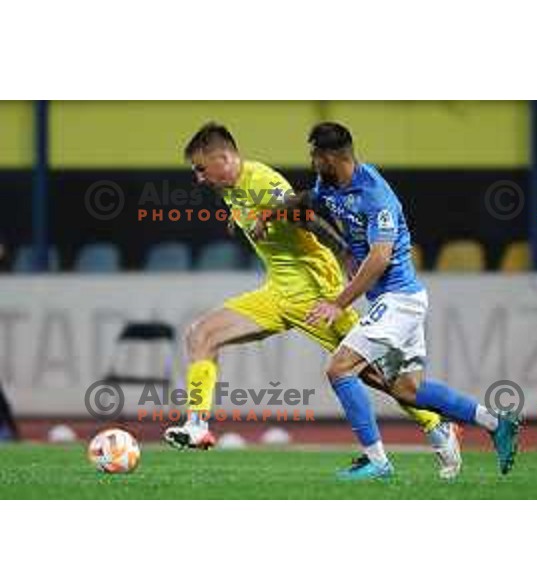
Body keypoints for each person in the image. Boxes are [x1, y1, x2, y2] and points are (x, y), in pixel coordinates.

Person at [163, 122, 462, 479]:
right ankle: (197, 425)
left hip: (314, 291)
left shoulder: (263, 183)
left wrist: (344, 252)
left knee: (374, 373)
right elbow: (260, 218)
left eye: (201, 168)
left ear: (224, 158)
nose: (198, 178)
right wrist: (241, 222)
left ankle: (437, 425)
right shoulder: (230, 189)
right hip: (277, 293)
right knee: (201, 335)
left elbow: (308, 218)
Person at [303, 122, 521, 480]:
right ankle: (495, 423)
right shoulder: (328, 185)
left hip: (399, 299)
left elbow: (380, 257)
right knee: (408, 389)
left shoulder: (376, 195)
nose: (311, 161)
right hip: (398, 300)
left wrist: (339, 302)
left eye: (314, 154)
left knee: (339, 368)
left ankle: (376, 461)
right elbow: (309, 203)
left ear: (328, 156)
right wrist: (275, 212)